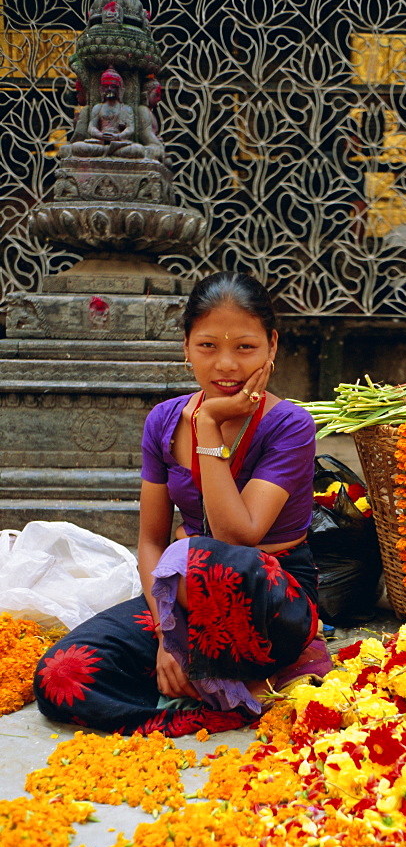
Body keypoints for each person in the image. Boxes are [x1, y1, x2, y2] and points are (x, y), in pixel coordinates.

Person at [34, 272, 332, 737]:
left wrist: (209, 424)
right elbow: (151, 541)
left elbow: (239, 536)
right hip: (185, 598)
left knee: (200, 556)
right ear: (186, 347)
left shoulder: (291, 426)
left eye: (246, 348)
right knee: (61, 677)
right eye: (208, 346)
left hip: (271, 597)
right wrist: (164, 634)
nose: (226, 365)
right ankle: (229, 690)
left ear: (272, 346)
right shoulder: (163, 422)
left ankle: (264, 665)